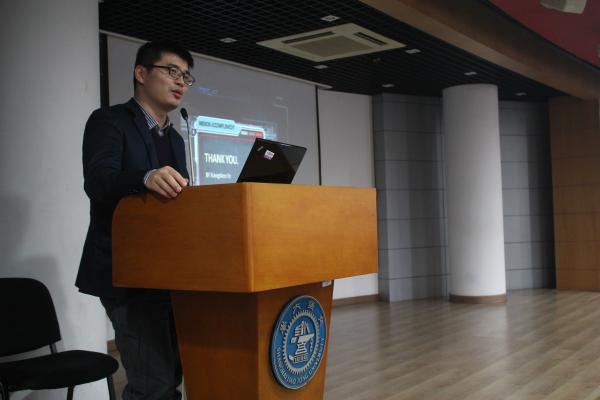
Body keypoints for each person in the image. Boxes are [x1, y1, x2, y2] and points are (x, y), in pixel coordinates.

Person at [75, 40, 195, 400]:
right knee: (152, 385)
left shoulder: (175, 139)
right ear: (141, 73)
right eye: (172, 71)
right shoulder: (110, 121)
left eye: (186, 76)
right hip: (126, 273)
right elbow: (98, 182)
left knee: (170, 377)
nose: (181, 81)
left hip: (168, 273)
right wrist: (145, 177)